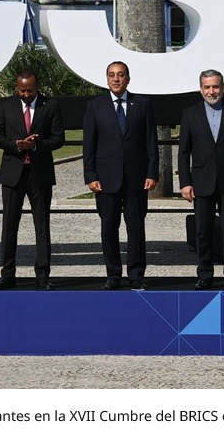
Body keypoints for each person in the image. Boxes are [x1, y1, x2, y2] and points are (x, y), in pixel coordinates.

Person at [82, 61, 159, 290]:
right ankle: (113, 275)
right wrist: (90, 175)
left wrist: (152, 172)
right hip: (106, 179)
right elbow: (89, 145)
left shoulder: (143, 104)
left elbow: (151, 142)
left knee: (136, 228)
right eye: (112, 75)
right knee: (109, 227)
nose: (116, 79)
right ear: (107, 79)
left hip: (137, 178)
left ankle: (136, 275)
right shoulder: (95, 106)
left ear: (128, 78)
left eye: (121, 75)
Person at [0, 69, 64, 290]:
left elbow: (59, 138)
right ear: (16, 87)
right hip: (13, 173)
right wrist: (16, 145)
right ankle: (7, 274)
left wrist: (36, 145)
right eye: (22, 90)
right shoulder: (5, 106)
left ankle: (42, 275)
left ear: (37, 86)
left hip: (40, 173)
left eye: (30, 90)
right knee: (9, 225)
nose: (26, 94)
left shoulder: (50, 106)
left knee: (42, 225)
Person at [178, 69, 224, 290]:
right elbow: (183, 152)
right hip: (202, 182)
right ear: (201, 89)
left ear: (223, 88)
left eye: (215, 86)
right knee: (202, 232)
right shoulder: (190, 114)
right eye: (207, 87)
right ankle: (204, 275)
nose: (212, 91)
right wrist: (185, 182)